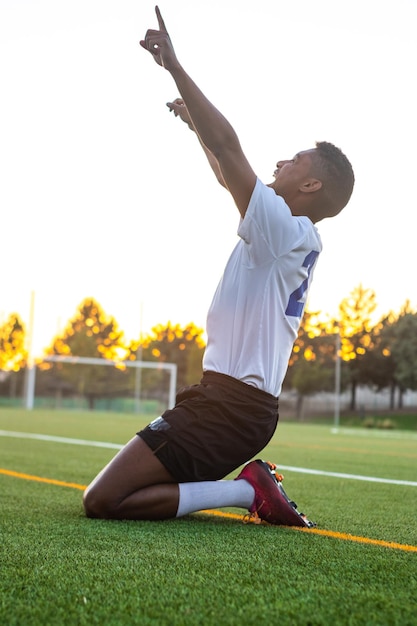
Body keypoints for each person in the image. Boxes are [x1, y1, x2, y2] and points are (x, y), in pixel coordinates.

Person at [82, 6, 354, 526]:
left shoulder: (286, 231)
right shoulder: (285, 230)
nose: (279, 163)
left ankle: (246, 493)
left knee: (104, 501)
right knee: (112, 496)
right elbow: (225, 169)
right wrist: (193, 125)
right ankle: (244, 489)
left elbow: (231, 149)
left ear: (312, 185)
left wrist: (175, 65)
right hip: (229, 403)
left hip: (231, 408)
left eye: (293, 161)